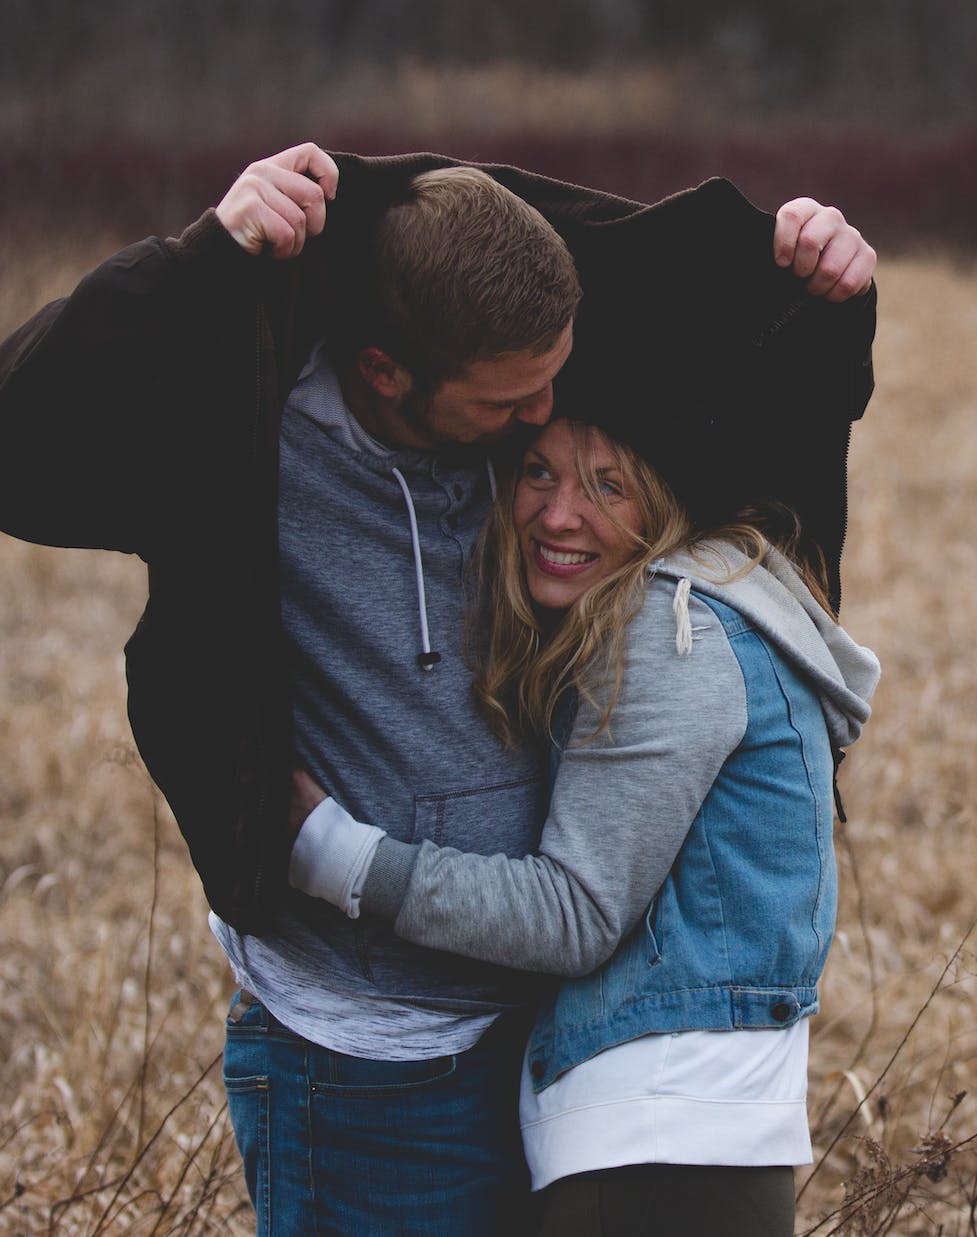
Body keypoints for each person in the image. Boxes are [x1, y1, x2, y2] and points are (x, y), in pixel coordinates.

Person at [0, 142, 878, 1234]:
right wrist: (200, 260)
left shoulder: (513, 397)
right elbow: (19, 432)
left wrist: (829, 285)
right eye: (513, 405)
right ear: (385, 373)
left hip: (537, 1042)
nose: (545, 415)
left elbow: (726, 372)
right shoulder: (241, 437)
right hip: (363, 1057)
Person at [287, 409, 877, 1234]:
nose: (560, 514)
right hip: (693, 1139)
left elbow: (575, 914)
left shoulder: (676, 634)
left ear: (666, 500)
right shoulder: (722, 603)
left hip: (654, 1143)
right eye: (538, 472)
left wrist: (336, 856)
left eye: (608, 485)